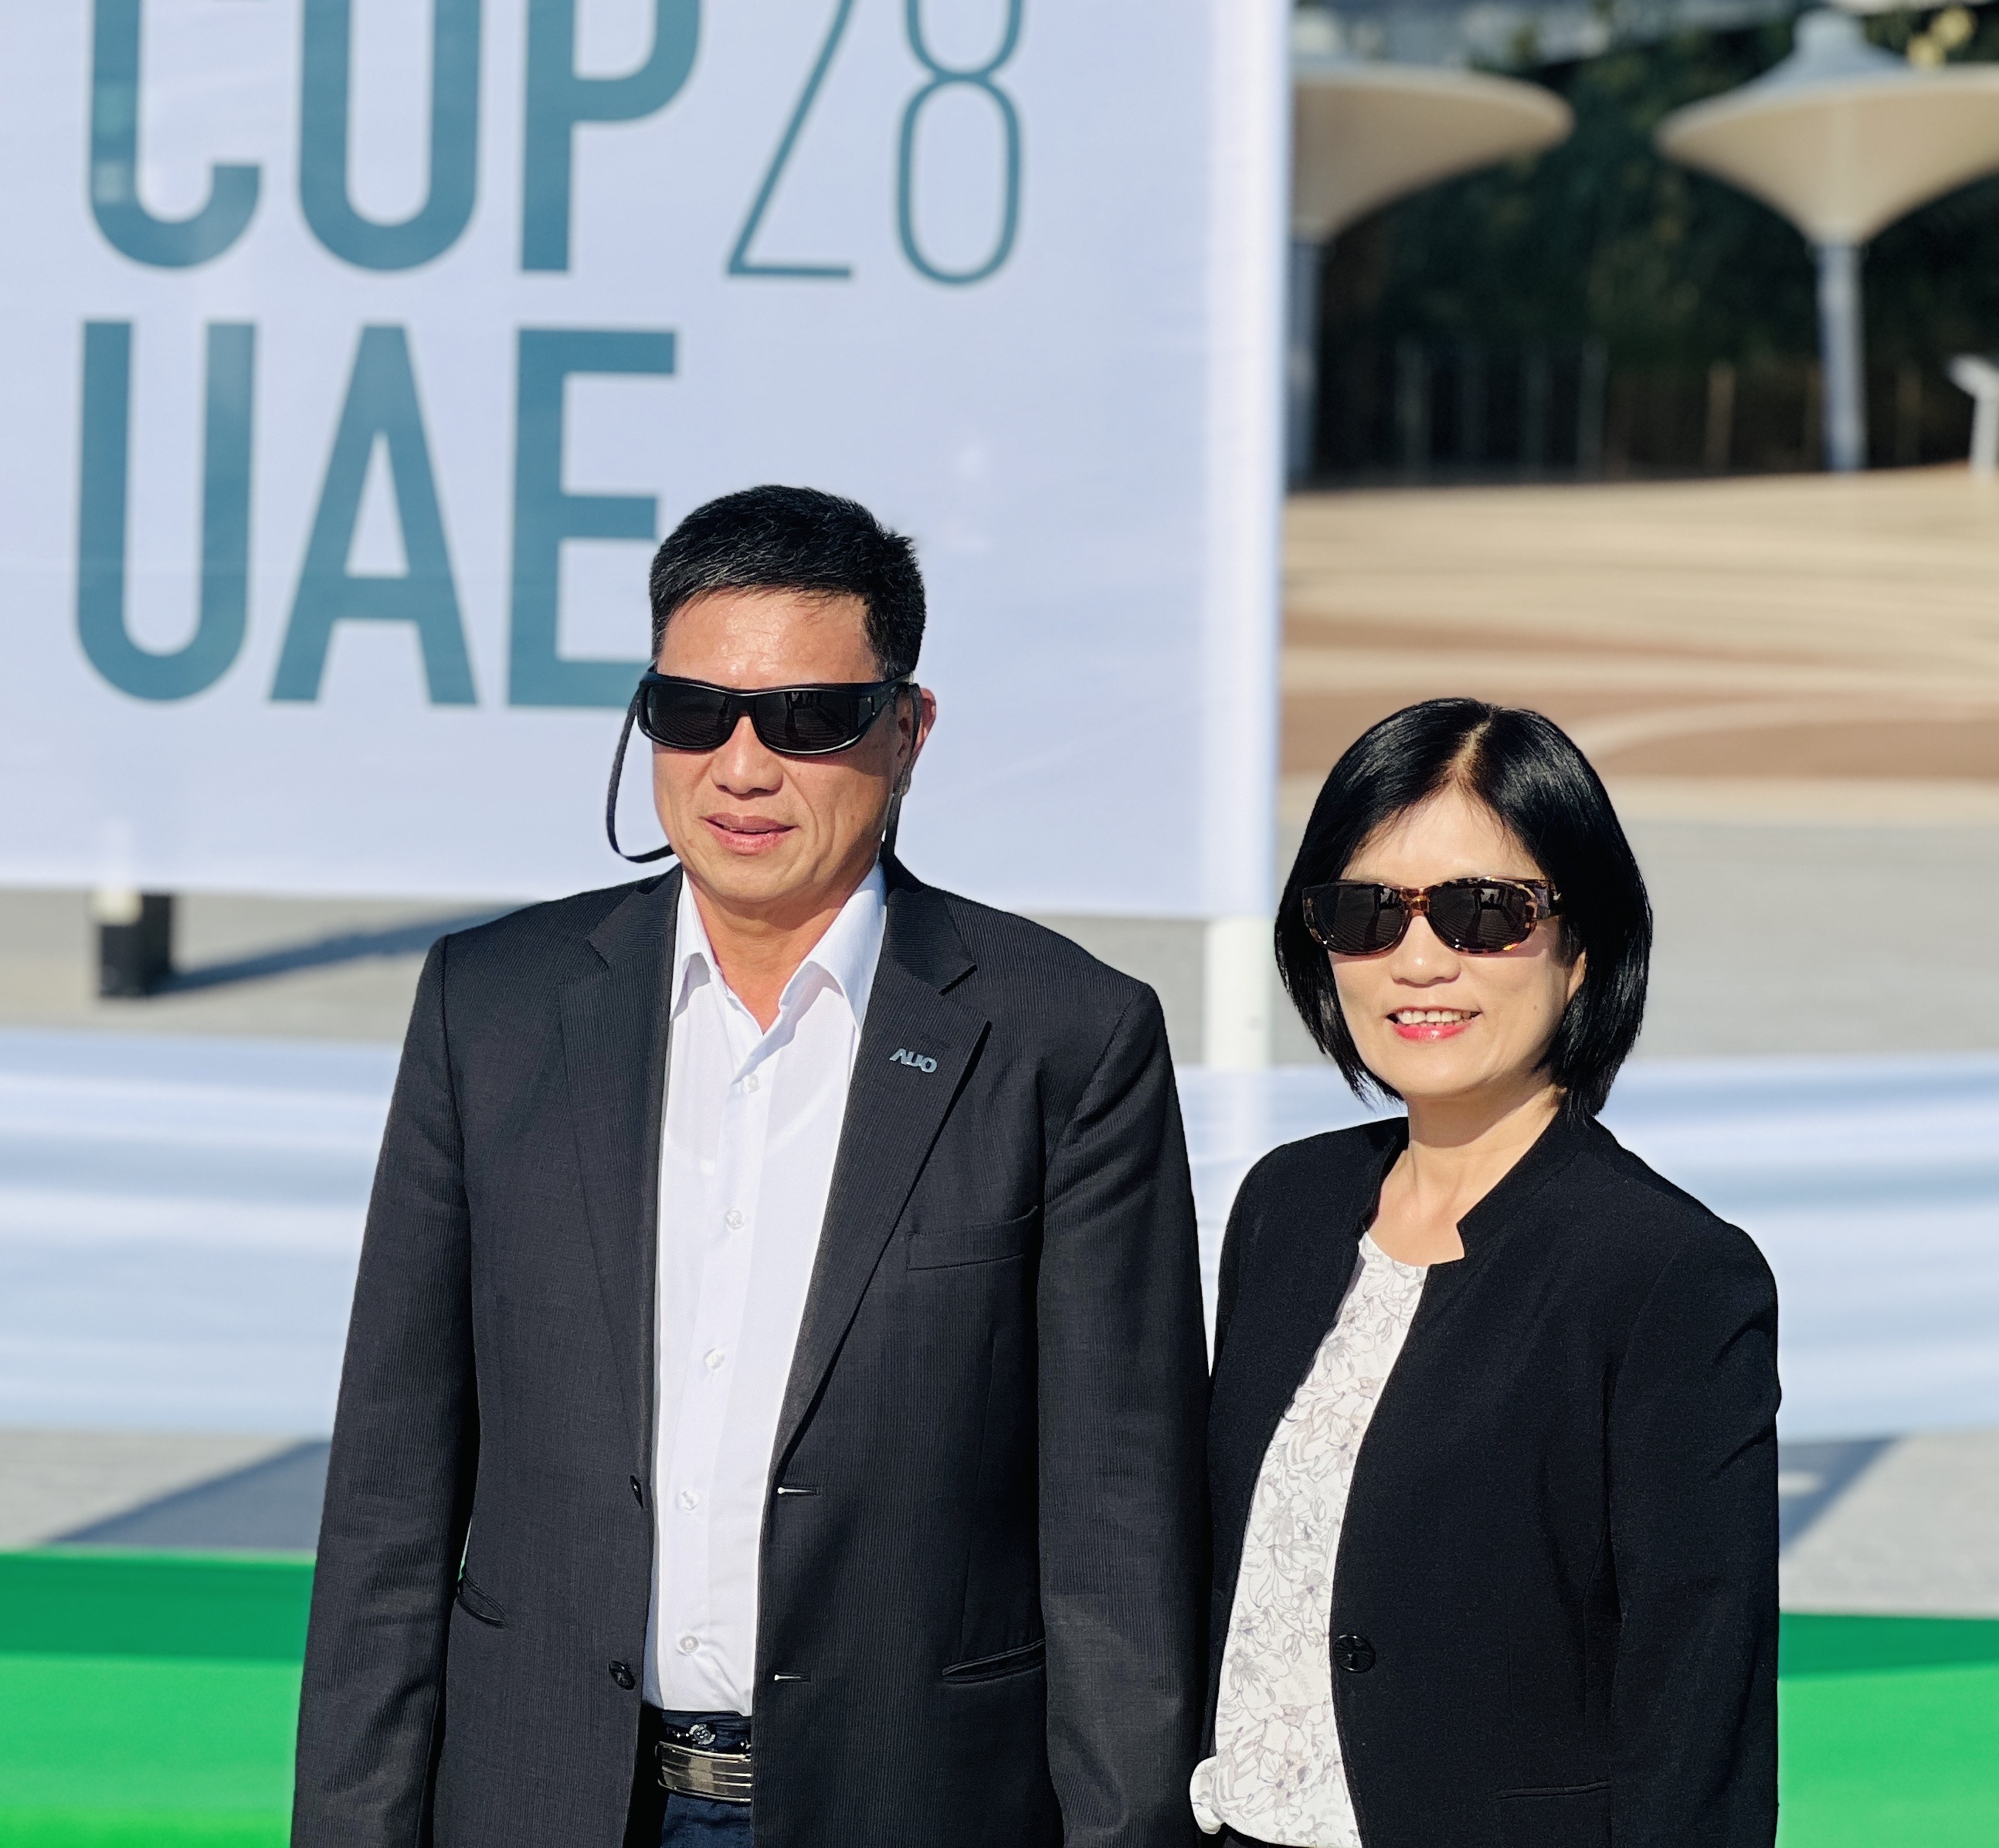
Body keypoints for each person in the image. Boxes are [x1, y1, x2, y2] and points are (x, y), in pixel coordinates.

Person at [297, 484, 1208, 1848]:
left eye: (805, 719)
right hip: (544, 1799)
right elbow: (390, 1492)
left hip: (911, 1807)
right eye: (692, 711)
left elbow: (1118, 1526)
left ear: (906, 732)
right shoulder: (490, 1012)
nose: (741, 767)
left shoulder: (1065, 1039)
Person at [1200, 699, 1777, 1848]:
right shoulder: (1287, 1206)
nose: (1419, 962)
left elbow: (1694, 1708)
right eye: (1365, 914)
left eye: (1483, 913)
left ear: (1583, 947)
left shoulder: (1668, 1273)